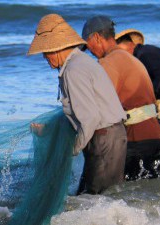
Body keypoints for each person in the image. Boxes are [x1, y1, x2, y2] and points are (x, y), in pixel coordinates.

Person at [28, 14, 127, 195]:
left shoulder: (73, 70)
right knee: (101, 197)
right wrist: (49, 130)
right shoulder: (80, 62)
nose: (44, 58)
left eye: (45, 52)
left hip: (104, 138)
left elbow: (89, 118)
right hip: (109, 136)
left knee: (97, 200)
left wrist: (71, 150)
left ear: (56, 48)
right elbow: (80, 113)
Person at [81, 16, 160, 181]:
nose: (90, 52)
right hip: (156, 136)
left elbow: (98, 105)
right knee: (148, 195)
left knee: (124, 195)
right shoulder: (131, 59)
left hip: (138, 139)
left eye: (88, 45)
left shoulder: (108, 63)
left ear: (97, 38)